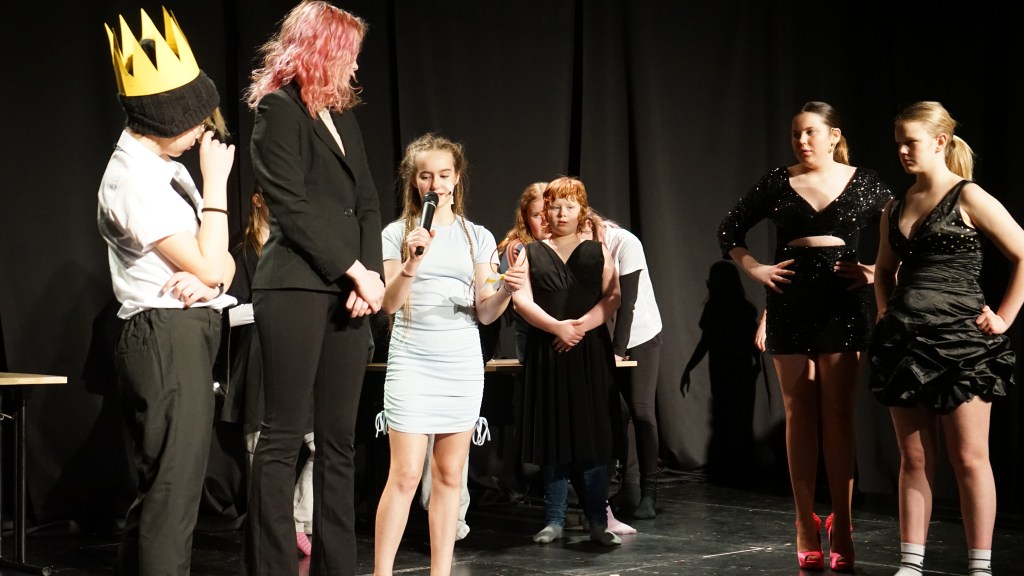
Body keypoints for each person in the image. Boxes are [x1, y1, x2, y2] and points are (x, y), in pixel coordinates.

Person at [242, 2, 386, 574]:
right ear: (323, 50)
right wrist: (353, 270)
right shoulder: (277, 110)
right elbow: (292, 207)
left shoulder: (341, 117)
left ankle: (337, 566)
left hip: (350, 292)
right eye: (349, 54)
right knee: (282, 435)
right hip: (295, 289)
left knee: (338, 440)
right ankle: (272, 566)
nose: (355, 66)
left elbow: (368, 202)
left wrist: (369, 276)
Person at [717, 101, 892, 572]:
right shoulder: (778, 180)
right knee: (799, 413)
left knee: (838, 416)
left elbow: (905, 231)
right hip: (791, 301)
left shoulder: (865, 181)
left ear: (834, 135)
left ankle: (844, 525)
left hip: (843, 302)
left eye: (811, 132)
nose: (802, 141)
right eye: (796, 134)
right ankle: (804, 523)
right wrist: (756, 269)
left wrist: (874, 271)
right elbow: (729, 230)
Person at [98, 7, 236, 574]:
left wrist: (211, 274)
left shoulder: (162, 167)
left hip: (183, 330)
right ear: (162, 119)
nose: (204, 132)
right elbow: (211, 263)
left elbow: (223, 266)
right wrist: (217, 185)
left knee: (167, 489)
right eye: (195, 122)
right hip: (163, 335)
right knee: (172, 493)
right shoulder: (134, 179)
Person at [869, 101, 1023, 576]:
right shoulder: (895, 206)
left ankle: (980, 566)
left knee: (969, 458)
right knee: (914, 458)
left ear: (939, 142)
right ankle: (911, 564)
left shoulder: (968, 196)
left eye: (910, 142)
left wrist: (1004, 318)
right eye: (898, 143)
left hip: (962, 344)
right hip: (905, 344)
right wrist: (884, 311)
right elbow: (884, 270)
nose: (902, 150)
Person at [373, 134, 520, 576]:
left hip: (460, 362)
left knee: (450, 475)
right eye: (425, 176)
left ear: (456, 179)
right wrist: (413, 261)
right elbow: (390, 304)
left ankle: (442, 572)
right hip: (412, 359)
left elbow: (486, 311)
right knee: (404, 475)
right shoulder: (397, 233)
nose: (434, 184)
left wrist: (508, 289)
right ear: (413, 181)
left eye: (443, 175)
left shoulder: (477, 236)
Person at [512, 176, 622, 546]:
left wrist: (579, 328)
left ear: (581, 212)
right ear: (545, 211)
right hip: (548, 350)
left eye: (569, 207)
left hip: (589, 351)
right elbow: (521, 300)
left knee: (592, 436)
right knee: (552, 434)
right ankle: (554, 519)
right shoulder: (530, 251)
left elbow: (613, 297)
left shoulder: (597, 251)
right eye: (555, 207)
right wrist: (556, 328)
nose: (561, 214)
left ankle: (597, 521)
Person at [220, 187, 316, 556]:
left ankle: (296, 519)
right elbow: (229, 314)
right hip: (258, 362)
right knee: (260, 452)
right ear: (258, 200)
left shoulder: (295, 248)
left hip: (296, 359)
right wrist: (277, 306)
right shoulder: (243, 253)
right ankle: (271, 533)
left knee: (323, 445)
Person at [583, 210, 663, 520]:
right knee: (616, 413)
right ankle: (628, 486)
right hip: (605, 334)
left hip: (640, 333)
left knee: (641, 410)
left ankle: (649, 492)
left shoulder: (625, 243)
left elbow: (626, 303)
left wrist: (617, 352)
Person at [496, 182, 550, 362]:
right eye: (536, 215)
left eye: (548, 211)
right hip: (534, 340)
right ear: (526, 218)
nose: (544, 221)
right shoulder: (518, 249)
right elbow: (523, 303)